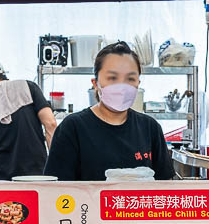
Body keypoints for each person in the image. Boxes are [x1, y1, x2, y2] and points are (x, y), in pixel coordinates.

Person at [44, 42, 174, 181]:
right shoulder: (73, 127)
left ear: (138, 83)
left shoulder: (150, 128)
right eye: (112, 78)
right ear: (95, 83)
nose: (122, 86)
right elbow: (56, 190)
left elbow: (164, 186)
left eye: (130, 79)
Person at [0, 59, 57, 181]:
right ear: (3, 76)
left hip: (3, 183)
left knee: (7, 201)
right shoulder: (29, 87)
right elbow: (51, 125)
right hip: (39, 177)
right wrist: (56, 169)